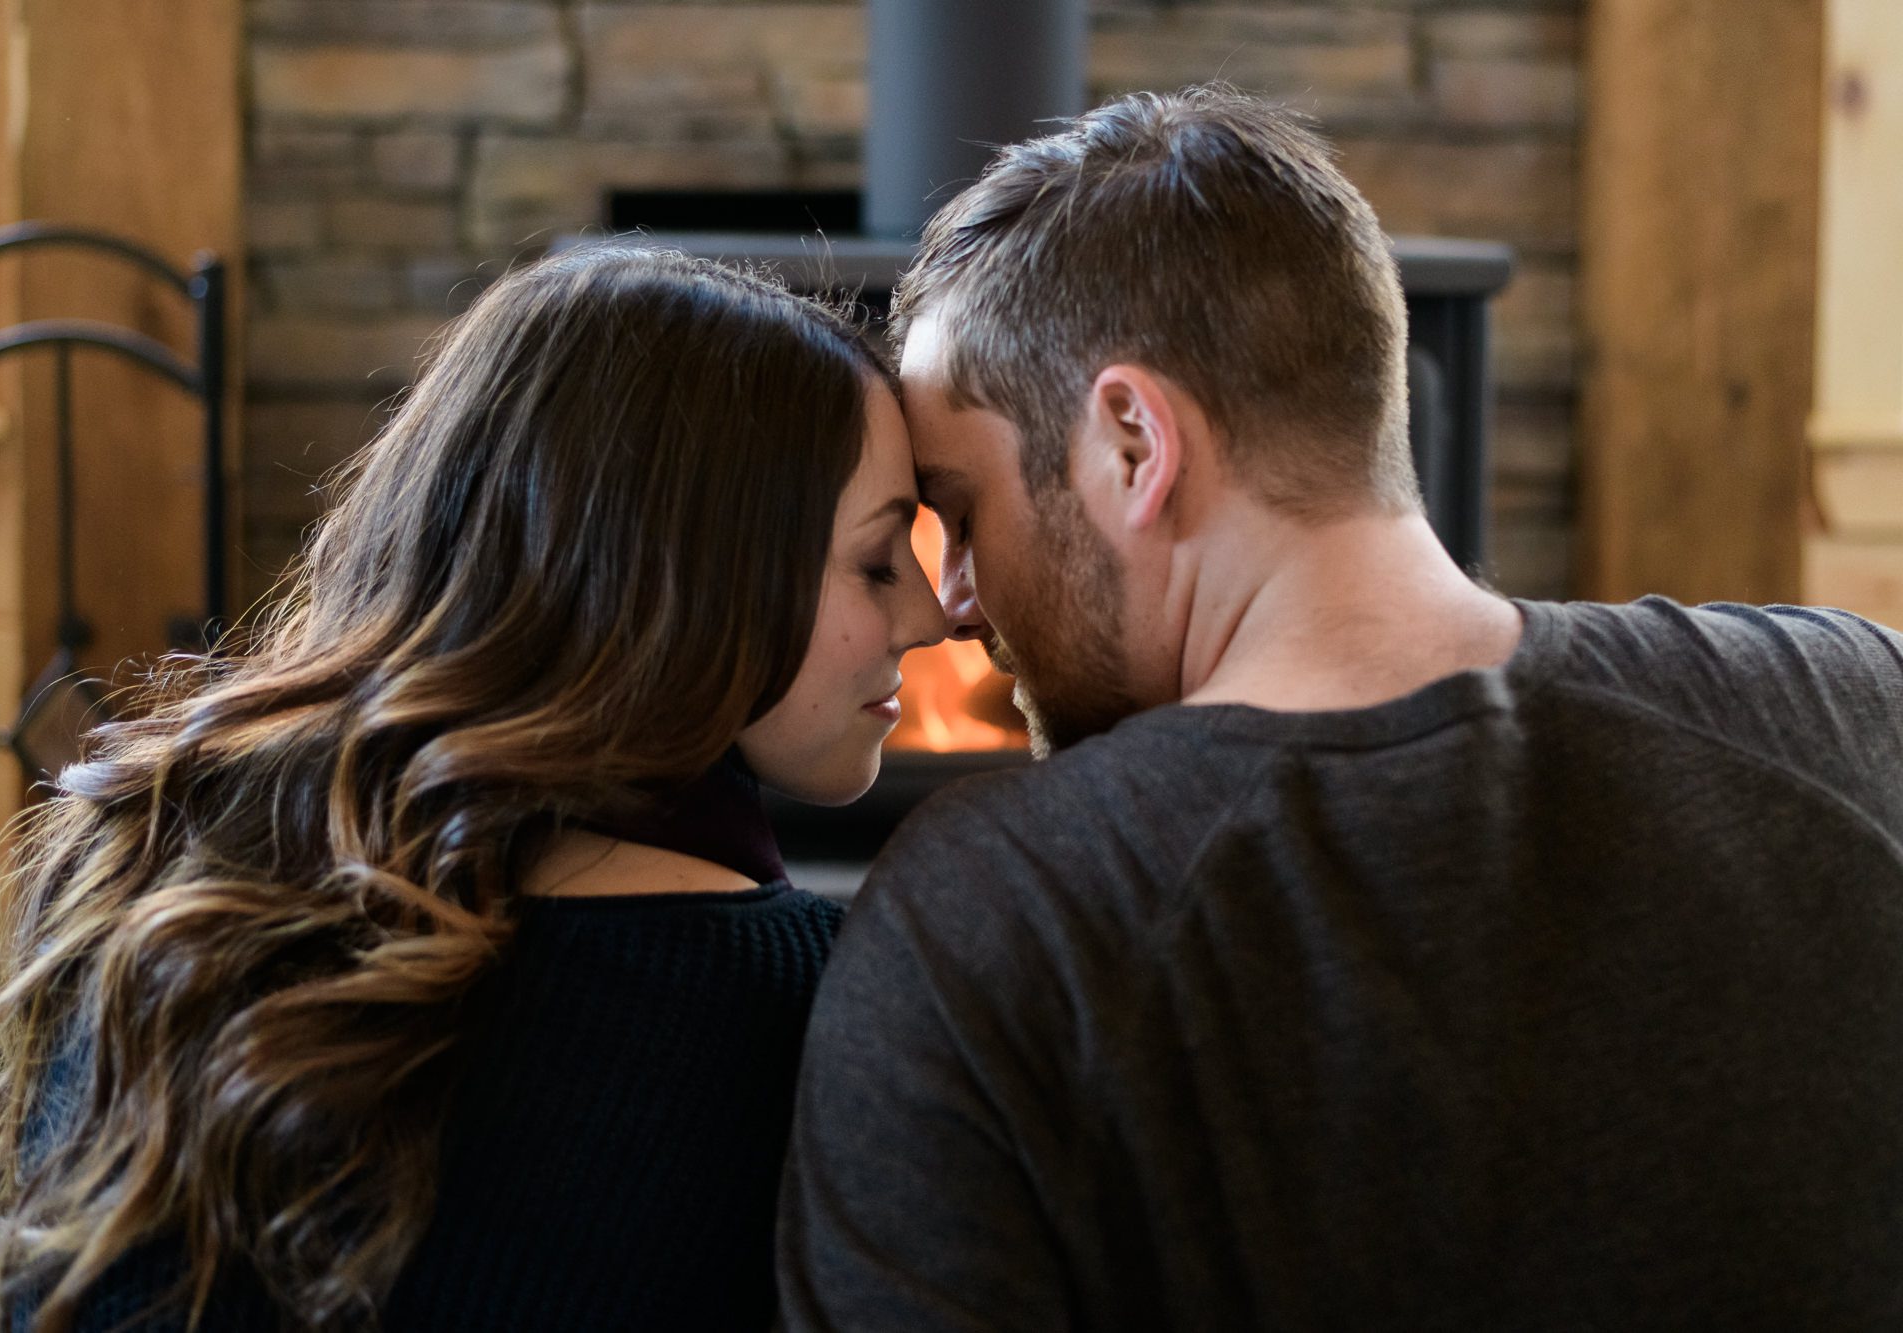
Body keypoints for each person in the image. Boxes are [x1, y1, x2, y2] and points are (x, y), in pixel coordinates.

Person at [778, 85, 1903, 1330]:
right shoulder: (1858, 702)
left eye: (961, 509)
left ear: (1133, 444)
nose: (953, 596)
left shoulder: (996, 919)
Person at [0, 246, 945, 1331]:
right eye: (879, 561)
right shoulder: (795, 1003)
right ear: (693, 577)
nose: (930, 615)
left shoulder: (163, 863)